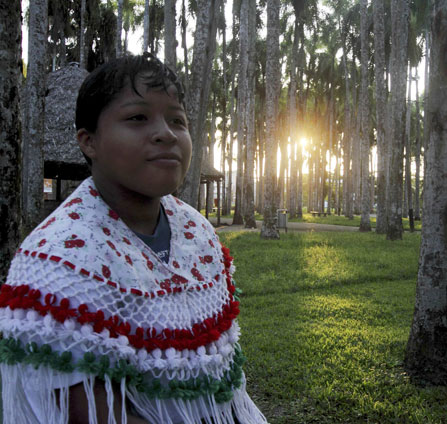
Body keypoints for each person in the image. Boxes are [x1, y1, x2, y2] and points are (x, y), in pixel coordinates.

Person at [0, 53, 267, 424]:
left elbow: (226, 379)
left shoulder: (197, 231)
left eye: (178, 120)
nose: (166, 133)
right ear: (89, 141)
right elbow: (88, 411)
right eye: (137, 118)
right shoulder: (57, 259)